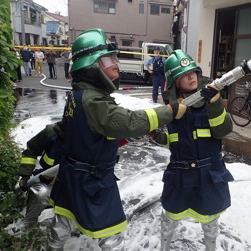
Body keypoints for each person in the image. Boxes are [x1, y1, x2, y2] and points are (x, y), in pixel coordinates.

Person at [47, 28, 186, 251]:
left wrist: (127, 136)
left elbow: (95, 131)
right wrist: (168, 111)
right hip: (92, 181)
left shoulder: (81, 95)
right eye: (108, 58)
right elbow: (126, 121)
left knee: (62, 221)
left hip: (72, 175)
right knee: (111, 236)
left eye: (114, 57)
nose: (116, 62)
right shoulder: (94, 101)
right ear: (91, 65)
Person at [149, 49, 234, 251]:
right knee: (169, 216)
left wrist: (215, 104)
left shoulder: (210, 100)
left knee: (210, 220)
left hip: (208, 175)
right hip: (179, 174)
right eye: (184, 74)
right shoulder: (172, 108)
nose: (191, 77)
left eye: (193, 71)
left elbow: (223, 130)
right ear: (174, 82)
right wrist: (156, 136)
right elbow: (174, 141)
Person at [16, 123, 65, 235]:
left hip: (75, 184)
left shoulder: (90, 138)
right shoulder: (52, 132)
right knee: (39, 194)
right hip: (47, 180)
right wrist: (25, 175)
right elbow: (31, 151)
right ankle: (27, 227)